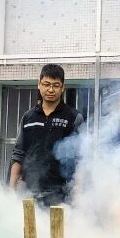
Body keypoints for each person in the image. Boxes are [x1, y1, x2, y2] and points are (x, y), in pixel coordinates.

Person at [8, 63, 84, 207]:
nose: (50, 89)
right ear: (39, 84)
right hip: (28, 193)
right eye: (46, 84)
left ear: (63, 88)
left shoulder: (73, 117)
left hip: (61, 196)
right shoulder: (28, 117)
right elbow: (18, 154)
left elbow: (80, 160)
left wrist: (77, 195)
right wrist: (11, 190)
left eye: (56, 85)